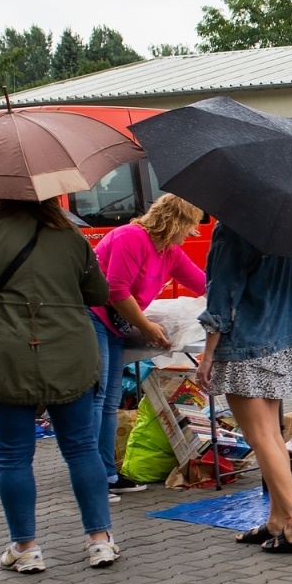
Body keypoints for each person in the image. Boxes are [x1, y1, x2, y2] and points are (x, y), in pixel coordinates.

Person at [0, 198, 120, 573]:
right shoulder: (70, 235)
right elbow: (99, 294)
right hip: (71, 351)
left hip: (6, 354)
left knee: (12, 455)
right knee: (82, 447)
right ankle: (100, 541)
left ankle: (25, 548)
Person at [196, 223, 292, 554]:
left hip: (246, 343)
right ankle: (277, 520)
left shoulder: (234, 228)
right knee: (271, 435)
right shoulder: (290, 229)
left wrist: (207, 356)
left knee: (261, 437)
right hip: (285, 339)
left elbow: (221, 296)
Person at [89, 194, 207, 498]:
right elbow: (116, 289)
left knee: (109, 399)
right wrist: (147, 327)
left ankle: (107, 474)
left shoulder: (169, 252)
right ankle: (93, 477)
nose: (189, 235)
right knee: (100, 396)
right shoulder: (132, 237)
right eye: (190, 227)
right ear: (175, 222)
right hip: (91, 318)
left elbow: (203, 283)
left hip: (116, 325)